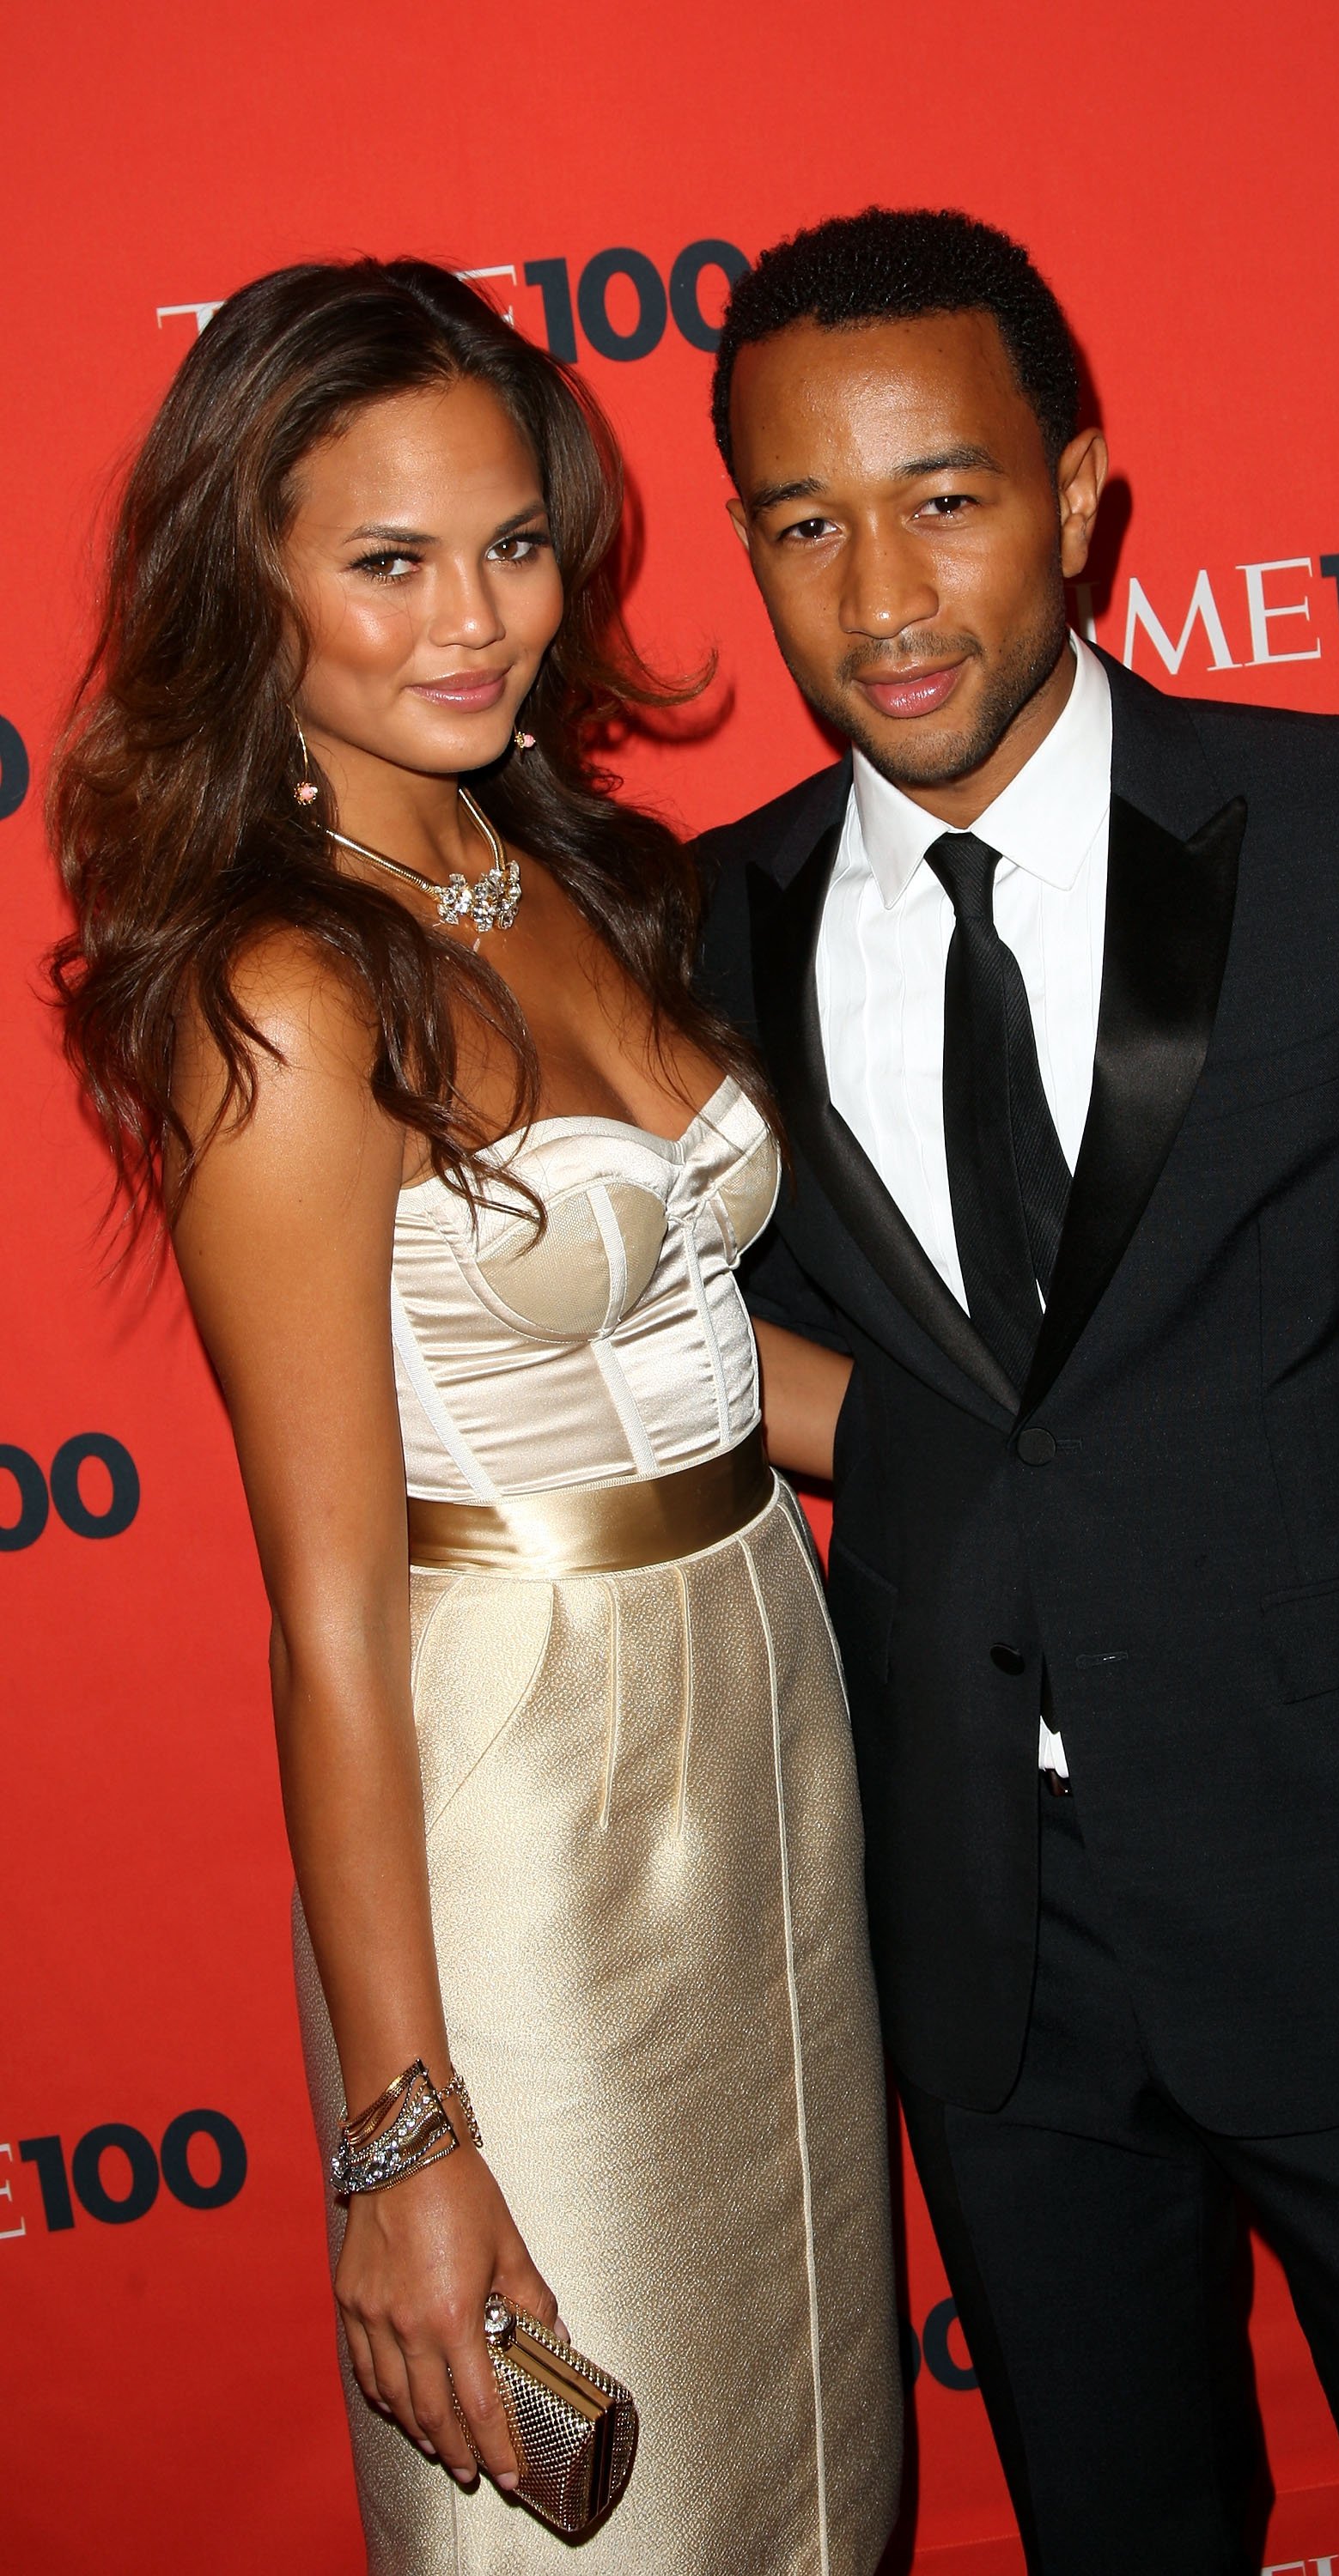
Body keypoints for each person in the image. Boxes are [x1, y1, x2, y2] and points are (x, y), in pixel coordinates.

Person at [696, 208, 1339, 2576]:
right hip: (988, 1955)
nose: (881, 598)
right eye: (803, 521)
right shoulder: (699, 924)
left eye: (944, 498)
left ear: (1076, 495)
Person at [50, 258, 900, 2575]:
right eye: (387, 559)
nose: (477, 621)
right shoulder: (283, 991)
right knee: (630, 2508)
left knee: (817, 2457)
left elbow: (697, 1362)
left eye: (513, 543)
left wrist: (1054, 1467)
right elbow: (334, 1618)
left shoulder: (557, 872)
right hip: (533, 1791)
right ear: (252, 579)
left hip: (766, 1736)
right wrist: (400, 2137)